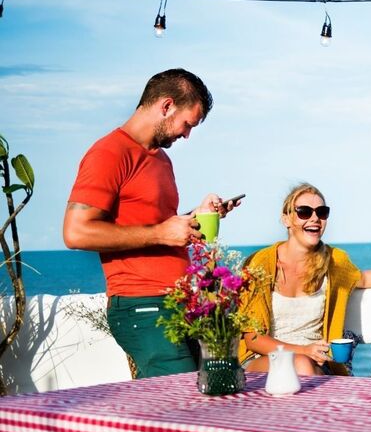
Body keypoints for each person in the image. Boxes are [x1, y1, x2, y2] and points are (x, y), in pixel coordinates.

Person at [63, 68, 240, 379]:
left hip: (178, 304)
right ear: (166, 105)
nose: (187, 135)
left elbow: (157, 227)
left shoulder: (160, 159)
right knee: (181, 401)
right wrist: (161, 232)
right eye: (187, 124)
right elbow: (76, 232)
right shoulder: (109, 153)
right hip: (142, 306)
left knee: (196, 398)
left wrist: (196, 218)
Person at [238, 183, 371, 375]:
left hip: (317, 362)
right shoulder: (259, 264)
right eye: (304, 212)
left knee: (306, 368)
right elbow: (253, 338)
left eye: (322, 212)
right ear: (286, 219)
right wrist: (303, 351)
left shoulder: (334, 260)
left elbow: (361, 278)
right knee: (301, 364)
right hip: (263, 360)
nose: (315, 218)